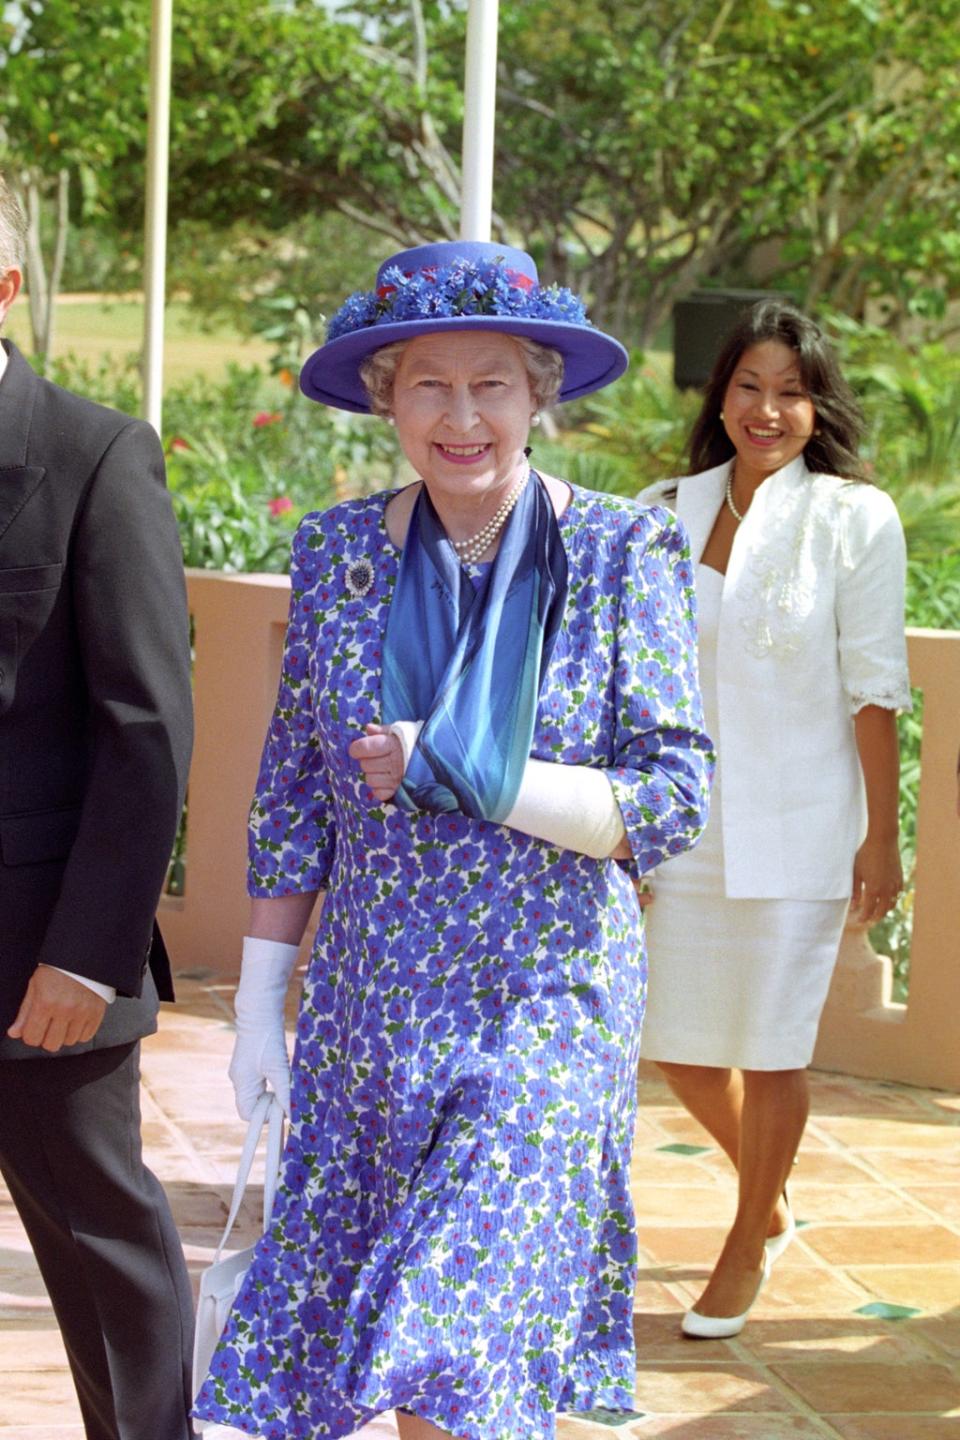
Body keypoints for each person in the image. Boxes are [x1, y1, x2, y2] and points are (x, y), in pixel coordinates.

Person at [192, 239, 713, 1440]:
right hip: (371, 1006)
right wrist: (263, 1002)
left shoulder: (625, 554)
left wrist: (475, 772)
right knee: (375, 1336)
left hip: (547, 1003)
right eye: (429, 383)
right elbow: (292, 792)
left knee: (455, 1331)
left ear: (542, 393)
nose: (461, 414)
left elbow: (673, 796)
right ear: (387, 399)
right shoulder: (334, 553)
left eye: (492, 384)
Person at [638, 299, 910, 1339]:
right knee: (680, 1045)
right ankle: (772, 1191)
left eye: (791, 391)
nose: (768, 408)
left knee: (774, 1047)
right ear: (721, 397)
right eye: (749, 386)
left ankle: (746, 1238)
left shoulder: (853, 518)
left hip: (802, 820)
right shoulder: (666, 507)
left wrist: (880, 837)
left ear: (817, 406)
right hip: (688, 825)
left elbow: (875, 688)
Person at [0, 174, 195, 1437]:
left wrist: (89, 950)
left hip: (43, 960)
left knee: (100, 1245)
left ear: (6, 284)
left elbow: (148, 730)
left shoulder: (94, 452)